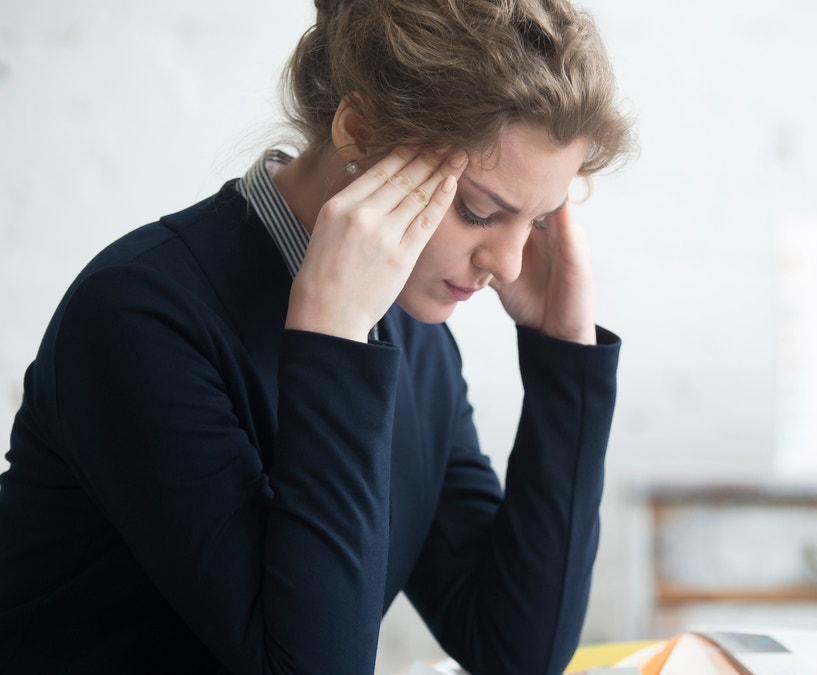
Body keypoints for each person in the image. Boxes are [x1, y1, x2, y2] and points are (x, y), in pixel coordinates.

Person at [0, 0, 634, 672]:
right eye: (478, 211)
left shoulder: (413, 339)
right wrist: (330, 338)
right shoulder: (139, 316)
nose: (506, 266)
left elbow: (517, 650)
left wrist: (566, 356)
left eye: (536, 221)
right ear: (359, 131)